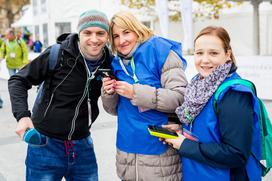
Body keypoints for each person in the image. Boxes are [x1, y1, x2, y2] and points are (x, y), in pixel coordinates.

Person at [8, 9, 112, 181]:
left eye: (100, 33)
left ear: (107, 36)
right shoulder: (57, 54)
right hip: (45, 145)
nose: (94, 39)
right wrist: (22, 116)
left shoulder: (109, 62)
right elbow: (17, 80)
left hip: (83, 146)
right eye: (88, 32)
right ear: (80, 34)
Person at [163, 26, 262, 181]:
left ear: (227, 54)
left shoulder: (234, 94)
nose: (205, 60)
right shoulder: (198, 86)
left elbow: (235, 154)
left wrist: (184, 144)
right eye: (199, 53)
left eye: (213, 53)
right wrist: (180, 129)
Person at [101, 11, 188, 180]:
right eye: (116, 36)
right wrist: (109, 92)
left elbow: (180, 98)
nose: (121, 40)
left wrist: (136, 92)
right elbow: (112, 110)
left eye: (126, 32)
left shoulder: (160, 50)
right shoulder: (115, 62)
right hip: (127, 151)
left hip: (159, 150)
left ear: (136, 29)